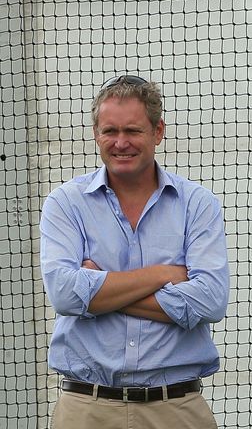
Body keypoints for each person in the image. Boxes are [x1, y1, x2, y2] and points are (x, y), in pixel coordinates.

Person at [39, 75, 229, 429]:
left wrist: (98, 290)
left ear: (158, 132)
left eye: (133, 131)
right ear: (96, 134)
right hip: (85, 408)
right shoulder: (65, 203)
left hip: (176, 408)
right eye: (110, 131)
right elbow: (64, 294)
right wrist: (163, 275)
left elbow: (210, 301)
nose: (120, 142)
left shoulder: (197, 205)